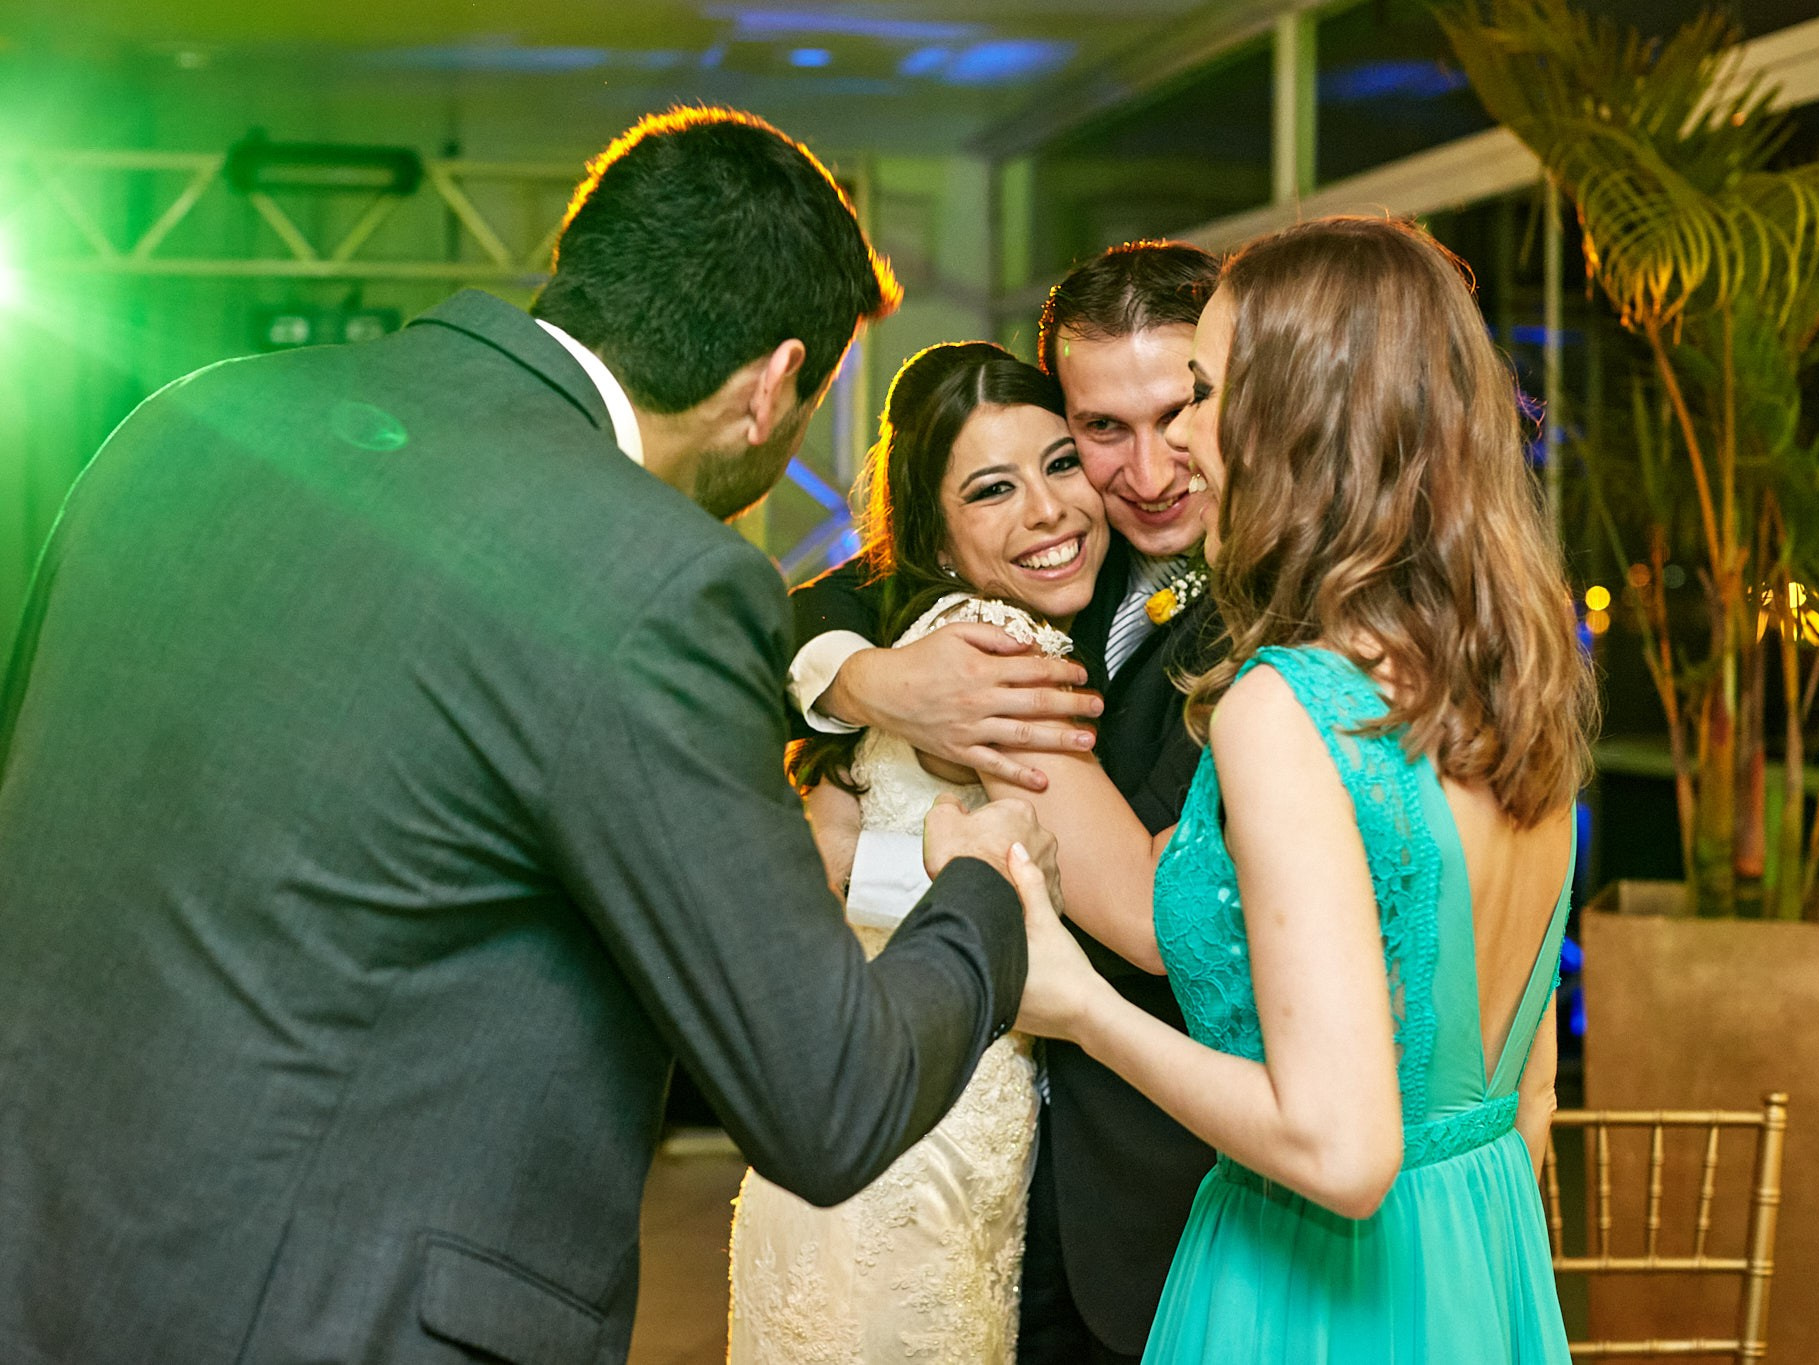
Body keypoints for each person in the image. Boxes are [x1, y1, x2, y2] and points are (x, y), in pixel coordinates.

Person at [0, 107, 1055, 1365]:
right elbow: (827, 1099)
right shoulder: (656, 574)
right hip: (335, 1318)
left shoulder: (179, 422)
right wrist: (983, 890)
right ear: (773, 385)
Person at [1012, 215, 1597, 1362]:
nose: (1178, 441)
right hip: (1475, 1259)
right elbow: (1527, 1101)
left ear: (1292, 420)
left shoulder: (1287, 708)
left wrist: (1074, 1004)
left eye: (1200, 392)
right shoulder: (1513, 675)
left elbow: (1341, 1152)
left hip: (1307, 1289)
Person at [783, 242, 1226, 1363]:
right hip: (994, 1160)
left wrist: (877, 863)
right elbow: (802, 611)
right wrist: (865, 682)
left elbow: (1157, 908)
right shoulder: (1060, 554)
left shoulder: (1284, 596)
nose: (1148, 472)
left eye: (1176, 414)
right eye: (1102, 431)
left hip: (1169, 1175)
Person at [731, 340, 1143, 1363]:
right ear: (939, 538)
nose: (1047, 511)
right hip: (919, 1152)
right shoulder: (995, 651)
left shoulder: (918, 637)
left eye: (1060, 463)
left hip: (852, 1119)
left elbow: (836, 862)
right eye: (992, 489)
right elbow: (1142, 917)